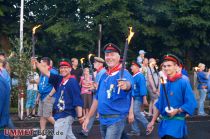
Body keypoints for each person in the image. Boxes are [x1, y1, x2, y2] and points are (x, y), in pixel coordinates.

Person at [82, 43, 134, 139]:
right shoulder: (104, 76)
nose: (109, 57)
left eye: (112, 54)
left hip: (116, 120)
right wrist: (88, 117)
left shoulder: (124, 74)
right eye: (107, 54)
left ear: (119, 57)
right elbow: (97, 99)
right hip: (103, 120)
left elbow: (129, 85)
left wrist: (125, 85)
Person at [147, 54, 197, 139]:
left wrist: (177, 110)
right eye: (164, 66)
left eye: (169, 66)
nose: (166, 68)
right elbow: (160, 105)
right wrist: (152, 121)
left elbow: (191, 102)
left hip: (176, 125)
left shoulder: (183, 82)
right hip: (165, 124)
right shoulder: (164, 84)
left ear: (176, 67)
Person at [33, 58, 83, 139]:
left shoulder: (73, 82)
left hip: (66, 115)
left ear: (70, 69)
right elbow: (46, 72)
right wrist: (37, 63)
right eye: (61, 68)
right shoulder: (60, 79)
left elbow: (77, 100)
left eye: (65, 68)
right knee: (69, 136)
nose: (63, 69)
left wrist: (80, 117)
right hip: (59, 114)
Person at [80, 56, 106, 137]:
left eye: (95, 62)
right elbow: (96, 86)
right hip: (97, 97)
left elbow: (100, 87)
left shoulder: (102, 72)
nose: (94, 64)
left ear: (99, 63)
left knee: (103, 118)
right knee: (91, 115)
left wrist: (92, 88)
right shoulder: (99, 72)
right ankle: (85, 131)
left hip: (100, 99)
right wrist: (91, 88)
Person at [33, 57, 58, 139]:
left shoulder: (53, 72)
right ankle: (42, 134)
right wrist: (38, 97)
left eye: (41, 62)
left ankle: (62, 128)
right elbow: (40, 84)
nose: (39, 63)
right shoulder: (42, 73)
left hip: (49, 96)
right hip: (42, 96)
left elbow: (56, 86)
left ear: (45, 63)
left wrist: (49, 96)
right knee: (42, 117)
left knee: (47, 116)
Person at [127, 61, 151, 136]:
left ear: (137, 67)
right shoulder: (133, 76)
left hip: (138, 97)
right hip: (133, 97)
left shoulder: (140, 76)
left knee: (136, 112)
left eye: (132, 66)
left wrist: (144, 98)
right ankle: (136, 130)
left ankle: (148, 126)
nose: (131, 67)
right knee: (133, 113)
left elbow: (143, 88)